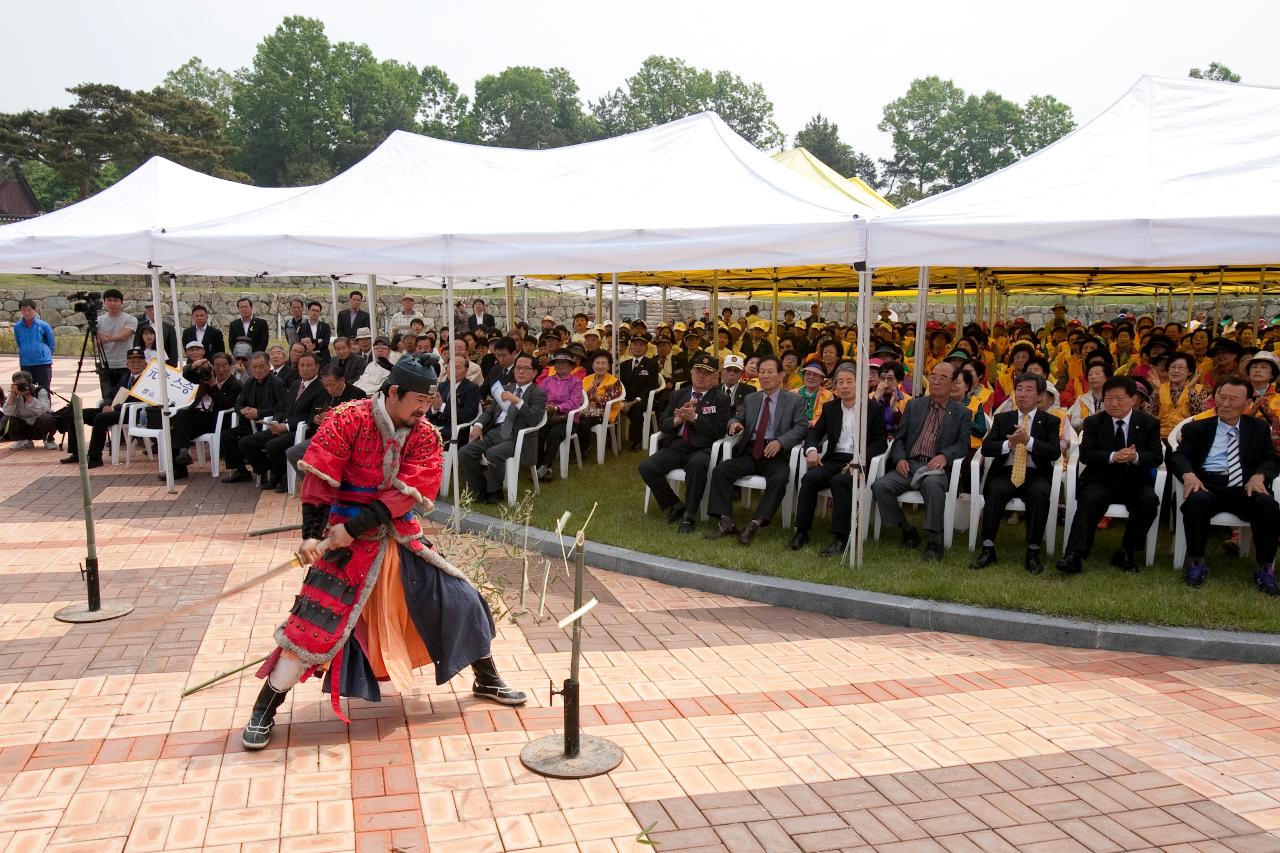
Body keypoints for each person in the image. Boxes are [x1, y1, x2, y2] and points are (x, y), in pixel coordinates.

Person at [239, 355, 525, 751]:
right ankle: (264, 709)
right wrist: (311, 536)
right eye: (419, 403)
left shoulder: (424, 434)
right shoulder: (348, 419)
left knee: (460, 599)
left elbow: (405, 494)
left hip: (398, 534)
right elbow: (320, 478)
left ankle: (486, 677)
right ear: (393, 392)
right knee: (312, 629)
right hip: (344, 543)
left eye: (429, 404)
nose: (425, 412)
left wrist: (354, 527)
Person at [1167, 377, 1280, 594]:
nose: (1226, 404)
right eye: (1222, 397)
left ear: (1248, 402)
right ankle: (1196, 562)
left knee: (1268, 505)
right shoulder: (1197, 428)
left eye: (1233, 399)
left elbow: (1271, 459)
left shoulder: (1258, 428)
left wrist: (1260, 475)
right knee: (1196, 501)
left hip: (1244, 486)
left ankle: (1265, 569)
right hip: (1209, 484)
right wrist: (1189, 475)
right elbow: (1178, 457)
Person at [1057, 376, 1163, 574]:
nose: (1113, 404)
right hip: (1101, 478)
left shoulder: (1149, 423)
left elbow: (1156, 456)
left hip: (1134, 479)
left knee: (1148, 501)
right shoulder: (1093, 422)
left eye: (1120, 399)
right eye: (1108, 399)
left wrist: (1135, 456)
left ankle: (1127, 551)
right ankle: (1074, 555)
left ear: (1134, 399)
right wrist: (1114, 456)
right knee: (1089, 499)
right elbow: (1087, 455)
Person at [870, 362, 973, 561]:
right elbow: (899, 438)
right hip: (910, 464)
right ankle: (907, 530)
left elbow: (962, 445)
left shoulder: (962, 413)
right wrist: (899, 458)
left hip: (935, 468)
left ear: (953, 384)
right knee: (880, 486)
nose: (935, 381)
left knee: (933, 486)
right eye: (933, 375)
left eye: (943, 378)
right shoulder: (915, 405)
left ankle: (934, 540)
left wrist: (944, 456)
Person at [704, 356, 807, 545]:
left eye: (770, 372)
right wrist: (734, 424)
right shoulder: (752, 399)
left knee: (779, 478)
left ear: (781, 375)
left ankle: (753, 525)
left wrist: (780, 442)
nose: (765, 376)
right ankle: (726, 521)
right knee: (722, 470)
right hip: (751, 451)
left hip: (776, 453)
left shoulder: (794, 400)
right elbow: (736, 418)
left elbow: (801, 428)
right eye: (762, 372)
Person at [789, 363, 888, 555]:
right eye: (840, 382)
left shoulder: (873, 409)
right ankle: (801, 531)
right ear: (835, 385)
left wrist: (860, 459)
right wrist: (810, 449)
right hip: (834, 459)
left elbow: (880, 443)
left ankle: (841, 538)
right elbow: (814, 433)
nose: (844, 386)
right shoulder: (830, 408)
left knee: (839, 481)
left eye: (849, 382)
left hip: (858, 460)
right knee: (809, 479)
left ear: (859, 384)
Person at [971, 374, 1062, 574]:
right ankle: (987, 548)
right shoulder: (1003, 418)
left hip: (1036, 473)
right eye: (1019, 389)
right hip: (1007, 471)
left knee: (1039, 494)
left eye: (1029, 390)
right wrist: (1009, 444)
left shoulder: (1050, 421)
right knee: (995, 490)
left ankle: (1033, 551)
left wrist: (1028, 441)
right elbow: (987, 448)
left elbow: (1054, 452)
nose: (1022, 394)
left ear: (1039, 396)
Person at [639, 353, 733, 533]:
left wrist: (695, 418)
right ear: (691, 373)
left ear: (715, 377)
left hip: (703, 448)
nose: (702, 375)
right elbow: (662, 423)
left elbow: (719, 431)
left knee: (697, 466)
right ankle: (674, 504)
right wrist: (677, 420)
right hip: (678, 445)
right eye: (698, 371)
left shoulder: (720, 398)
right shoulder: (678, 394)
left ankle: (689, 514)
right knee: (647, 467)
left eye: (707, 373)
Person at [460, 353, 548, 504]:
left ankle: (494, 491)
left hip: (517, 437)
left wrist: (518, 401)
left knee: (494, 453)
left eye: (526, 368)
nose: (520, 371)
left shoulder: (538, 393)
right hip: (495, 433)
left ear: (534, 372)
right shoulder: (505, 388)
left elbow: (534, 420)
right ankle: (481, 489)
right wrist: (478, 425)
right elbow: (489, 412)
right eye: (518, 368)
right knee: (465, 452)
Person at [239, 352, 325, 492]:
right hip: (281, 425)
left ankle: (283, 475)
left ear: (317, 367)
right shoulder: (296, 384)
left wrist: (286, 426)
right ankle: (270, 470)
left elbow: (311, 417)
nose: (305, 368)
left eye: (309, 365)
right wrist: (276, 422)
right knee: (246, 442)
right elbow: (282, 407)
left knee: (272, 445)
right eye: (302, 365)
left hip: (301, 430)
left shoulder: (321, 388)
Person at [58, 347, 150, 467]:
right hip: (114, 409)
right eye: (133, 362)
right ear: (127, 364)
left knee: (100, 418)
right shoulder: (126, 376)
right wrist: (107, 404)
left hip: (131, 412)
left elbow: (140, 400)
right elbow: (111, 394)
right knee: (77, 414)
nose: (136, 365)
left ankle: (95, 457)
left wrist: (114, 408)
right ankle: (77, 453)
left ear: (145, 364)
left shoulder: (146, 379)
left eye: (139, 362)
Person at [285, 365, 368, 485]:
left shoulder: (357, 394)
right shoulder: (322, 393)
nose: (329, 388)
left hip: (345, 441)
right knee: (293, 453)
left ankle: (327, 487)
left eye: (332, 384)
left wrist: (333, 417)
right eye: (325, 385)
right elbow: (310, 412)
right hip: (322, 436)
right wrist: (315, 418)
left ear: (342, 380)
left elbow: (360, 422)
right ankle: (311, 486)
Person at [169, 351, 243, 479]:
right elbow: (186, 374)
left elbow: (225, 405)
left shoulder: (235, 384)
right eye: (217, 365)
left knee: (178, 423)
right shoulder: (205, 376)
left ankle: (181, 459)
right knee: (175, 424)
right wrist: (195, 365)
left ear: (230, 366)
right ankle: (182, 457)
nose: (221, 369)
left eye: (225, 365)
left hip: (215, 419)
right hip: (196, 417)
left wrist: (214, 386)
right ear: (212, 366)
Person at [220, 353, 289, 483]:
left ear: (269, 366)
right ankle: (241, 471)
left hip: (269, 424)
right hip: (250, 424)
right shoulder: (250, 382)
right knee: (226, 435)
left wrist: (258, 413)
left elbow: (281, 409)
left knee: (245, 442)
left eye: (261, 366)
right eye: (254, 367)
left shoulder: (277, 383)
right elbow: (238, 403)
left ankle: (263, 470)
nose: (258, 370)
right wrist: (242, 410)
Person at [535, 351, 584, 480]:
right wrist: (545, 406)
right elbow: (538, 395)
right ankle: (541, 467)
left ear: (570, 366)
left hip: (568, 419)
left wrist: (557, 408)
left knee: (555, 433)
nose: (561, 365)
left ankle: (545, 466)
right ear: (554, 365)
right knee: (537, 432)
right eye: (558, 362)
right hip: (548, 416)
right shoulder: (547, 381)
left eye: (564, 363)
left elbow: (574, 402)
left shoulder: (576, 382)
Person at [618, 335, 660, 451]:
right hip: (625, 399)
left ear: (646, 348)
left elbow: (652, 386)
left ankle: (635, 441)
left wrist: (635, 400)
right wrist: (623, 400)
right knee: (610, 406)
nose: (638, 347)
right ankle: (610, 439)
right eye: (635, 344)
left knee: (636, 409)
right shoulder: (623, 365)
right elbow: (619, 385)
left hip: (643, 399)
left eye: (641, 345)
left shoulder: (651, 364)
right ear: (630, 347)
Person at [94, 288, 138, 398]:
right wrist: (107, 337)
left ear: (122, 303)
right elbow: (96, 342)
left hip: (125, 365)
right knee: (107, 398)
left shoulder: (130, 319)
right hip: (105, 365)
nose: (112, 303)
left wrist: (106, 337)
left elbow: (123, 336)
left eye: (116, 300)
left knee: (123, 398)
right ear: (104, 302)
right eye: (109, 300)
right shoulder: (98, 321)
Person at [428, 353, 480, 440]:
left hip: (455, 430)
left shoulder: (472, 388)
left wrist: (442, 406)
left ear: (466, 370)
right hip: (435, 425)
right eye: (450, 366)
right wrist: (434, 408)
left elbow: (468, 415)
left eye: (458, 367)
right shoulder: (442, 386)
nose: (453, 370)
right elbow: (428, 412)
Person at [1, 370, 56, 449]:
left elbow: (43, 411)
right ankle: (23, 441)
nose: (21, 387)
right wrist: (12, 396)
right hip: (22, 424)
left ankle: (48, 440)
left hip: (39, 424)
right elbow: (8, 412)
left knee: (47, 418)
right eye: (18, 384)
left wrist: (28, 397)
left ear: (30, 384)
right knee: (6, 419)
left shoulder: (40, 391)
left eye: (24, 384)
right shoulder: (13, 392)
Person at [13, 299, 55, 392]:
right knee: (26, 390)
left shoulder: (44, 325)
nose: (26, 313)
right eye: (24, 310)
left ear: (34, 310)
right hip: (26, 363)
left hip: (42, 363)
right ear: (20, 311)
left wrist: (44, 354)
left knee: (44, 390)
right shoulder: (17, 327)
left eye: (29, 310)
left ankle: (45, 407)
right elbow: (19, 342)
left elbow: (51, 344)